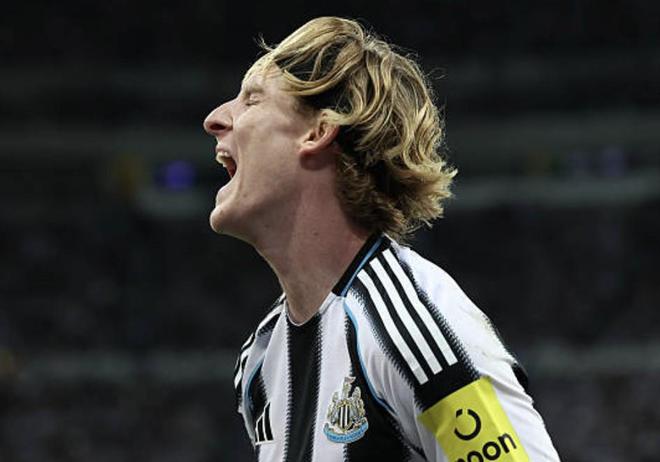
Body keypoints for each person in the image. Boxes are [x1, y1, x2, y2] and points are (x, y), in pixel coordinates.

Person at [203, 16, 559, 462]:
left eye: (253, 99)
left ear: (318, 131)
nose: (215, 119)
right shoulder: (260, 361)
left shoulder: (415, 329)